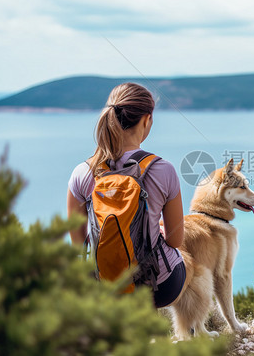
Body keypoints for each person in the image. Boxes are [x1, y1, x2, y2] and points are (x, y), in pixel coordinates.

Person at [66, 82, 185, 308]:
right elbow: (175, 240)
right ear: (146, 119)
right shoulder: (163, 169)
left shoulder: (82, 173)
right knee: (178, 258)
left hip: (105, 285)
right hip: (159, 288)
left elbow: (78, 246)